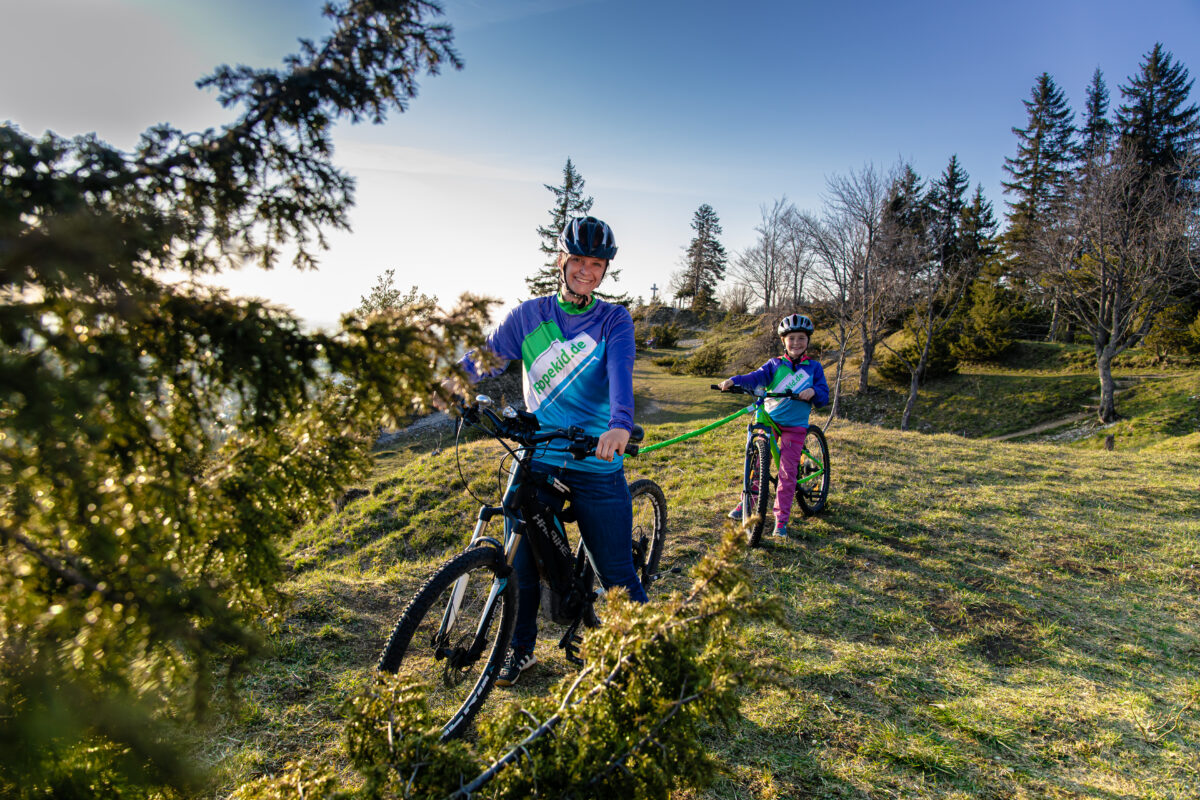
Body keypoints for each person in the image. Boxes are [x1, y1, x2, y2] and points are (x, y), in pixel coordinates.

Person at [446, 215, 646, 687]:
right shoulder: (529, 316)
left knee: (616, 570)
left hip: (596, 457)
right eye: (578, 260)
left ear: (604, 270)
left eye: (596, 264)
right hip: (540, 453)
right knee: (519, 561)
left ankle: (639, 657)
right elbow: (489, 354)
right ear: (562, 260)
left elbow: (621, 373)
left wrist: (619, 426)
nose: (586, 271)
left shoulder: (612, 320)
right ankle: (520, 651)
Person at [717, 313, 829, 538]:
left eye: (801, 338)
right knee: (757, 466)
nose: (796, 343)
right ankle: (747, 501)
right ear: (783, 341)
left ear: (808, 341)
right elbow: (755, 376)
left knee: (787, 475)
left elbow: (824, 396)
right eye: (791, 338)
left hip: (795, 426)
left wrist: (813, 391)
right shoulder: (775, 364)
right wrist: (734, 381)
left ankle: (781, 520)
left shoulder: (814, 368)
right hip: (770, 422)